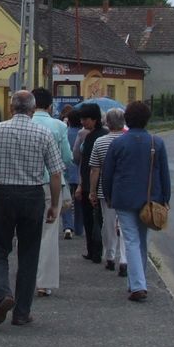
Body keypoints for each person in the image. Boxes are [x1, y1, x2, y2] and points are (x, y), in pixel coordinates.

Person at [0, 89, 64, 327]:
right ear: (33, 110)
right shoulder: (43, 133)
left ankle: (3, 294)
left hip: (4, 195)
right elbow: (56, 173)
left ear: (11, 108)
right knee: (29, 254)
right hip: (33, 197)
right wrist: (54, 204)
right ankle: (22, 313)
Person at [100, 101, 171, 303]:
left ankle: (138, 285)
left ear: (127, 120)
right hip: (150, 199)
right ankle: (138, 283)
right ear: (147, 119)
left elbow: (108, 173)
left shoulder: (118, 143)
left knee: (131, 240)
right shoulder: (156, 143)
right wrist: (165, 198)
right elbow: (164, 173)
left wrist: (108, 195)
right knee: (141, 239)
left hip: (123, 198)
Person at [30, 88, 74, 298]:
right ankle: (44, 283)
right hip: (51, 184)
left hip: (26, 184)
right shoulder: (58, 126)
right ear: (50, 106)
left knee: (27, 231)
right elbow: (66, 158)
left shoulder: (24, 124)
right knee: (49, 233)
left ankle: (26, 276)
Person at [88, 107, 128, 276]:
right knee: (126, 225)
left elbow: (95, 169)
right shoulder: (128, 141)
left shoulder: (100, 142)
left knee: (108, 223)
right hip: (126, 189)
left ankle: (110, 256)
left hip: (106, 189)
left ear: (107, 123)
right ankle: (124, 259)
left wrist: (92, 191)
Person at [75, 103, 107, 264]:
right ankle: (98, 251)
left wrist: (82, 185)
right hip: (101, 184)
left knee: (90, 219)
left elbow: (87, 164)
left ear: (95, 119)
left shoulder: (91, 137)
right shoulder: (104, 134)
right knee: (100, 220)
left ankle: (93, 250)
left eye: (85, 119)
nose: (82, 122)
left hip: (91, 184)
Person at [62, 107, 85, 240]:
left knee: (66, 201)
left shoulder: (64, 132)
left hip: (66, 171)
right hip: (80, 173)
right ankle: (79, 228)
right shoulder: (83, 134)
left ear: (69, 120)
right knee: (79, 202)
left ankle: (67, 226)